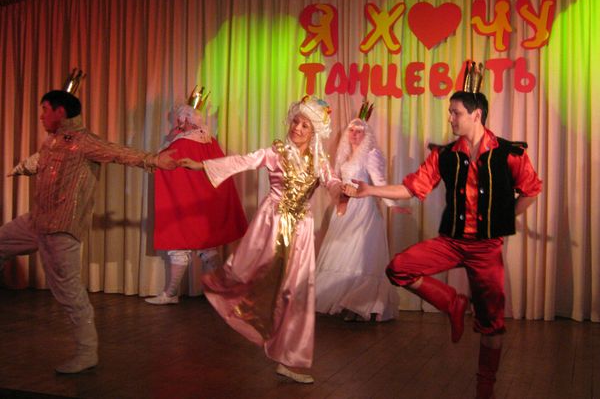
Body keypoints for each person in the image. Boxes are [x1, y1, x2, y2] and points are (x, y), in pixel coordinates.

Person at [347, 62, 542, 399]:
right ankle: (452, 302)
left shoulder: (509, 153)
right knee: (399, 268)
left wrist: (505, 216)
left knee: (492, 323)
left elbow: (531, 189)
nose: (450, 118)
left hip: (486, 248)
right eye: (450, 112)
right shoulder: (445, 155)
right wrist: (369, 190)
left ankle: (485, 387)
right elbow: (411, 188)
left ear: (476, 115)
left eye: (456, 113)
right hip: (451, 242)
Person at [0, 88, 178, 374]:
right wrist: (22, 167)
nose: (41, 116)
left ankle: (87, 353)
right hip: (36, 221)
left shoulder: (84, 142)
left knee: (69, 294)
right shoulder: (51, 141)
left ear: (60, 111)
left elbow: (118, 153)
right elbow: (42, 160)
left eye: (45, 109)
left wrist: (155, 160)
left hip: (61, 229)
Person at [179, 96, 340, 384]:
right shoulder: (276, 153)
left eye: (305, 125)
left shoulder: (319, 161)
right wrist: (202, 165)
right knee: (256, 279)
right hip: (273, 223)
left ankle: (288, 359)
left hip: (301, 229)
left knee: (297, 291)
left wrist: (347, 189)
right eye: (296, 122)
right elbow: (243, 161)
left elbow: (332, 183)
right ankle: (227, 294)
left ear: (314, 132)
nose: (297, 128)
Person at [146, 98, 248, 305]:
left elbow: (162, 164)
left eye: (179, 120)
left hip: (185, 203)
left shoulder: (180, 143)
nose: (178, 124)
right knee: (207, 249)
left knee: (179, 247)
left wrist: (166, 146)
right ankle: (222, 293)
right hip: (206, 206)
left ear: (184, 120)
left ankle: (170, 294)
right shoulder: (211, 142)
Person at [315, 112, 401, 322]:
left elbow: (379, 182)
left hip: (363, 211)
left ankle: (359, 305)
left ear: (366, 134)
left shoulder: (371, 154)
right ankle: (343, 303)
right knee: (342, 253)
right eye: (351, 131)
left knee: (359, 256)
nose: (354, 134)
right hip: (345, 208)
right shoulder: (345, 157)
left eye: (359, 131)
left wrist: (392, 204)